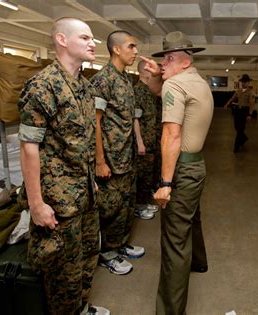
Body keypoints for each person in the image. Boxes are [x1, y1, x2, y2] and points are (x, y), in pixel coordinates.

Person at [17, 18, 109, 315]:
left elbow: (79, 141)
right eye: (85, 38)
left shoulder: (83, 86)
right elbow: (29, 148)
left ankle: (81, 309)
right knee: (62, 273)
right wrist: (36, 204)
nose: (93, 43)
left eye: (92, 38)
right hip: (59, 202)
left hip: (84, 195)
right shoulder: (44, 86)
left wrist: (91, 179)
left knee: (85, 259)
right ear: (62, 40)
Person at [140, 31, 214, 315]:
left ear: (184, 61)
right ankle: (199, 261)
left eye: (169, 59)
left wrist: (165, 183)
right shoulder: (197, 80)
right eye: (162, 59)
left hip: (181, 168)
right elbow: (161, 89)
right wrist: (158, 73)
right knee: (191, 218)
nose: (163, 64)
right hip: (197, 166)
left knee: (174, 238)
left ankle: (170, 311)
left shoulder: (176, 85)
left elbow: (171, 134)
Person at [90, 30, 144, 275]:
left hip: (126, 156)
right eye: (131, 46)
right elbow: (95, 123)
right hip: (110, 159)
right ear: (116, 49)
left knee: (124, 204)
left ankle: (119, 244)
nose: (136, 52)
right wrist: (100, 161)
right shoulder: (103, 80)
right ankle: (106, 252)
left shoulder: (125, 79)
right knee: (110, 207)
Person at [133, 59, 163, 220]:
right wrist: (139, 142)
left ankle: (144, 201)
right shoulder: (138, 91)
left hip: (151, 140)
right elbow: (135, 119)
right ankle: (139, 206)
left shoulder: (149, 90)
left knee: (148, 175)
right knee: (142, 175)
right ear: (145, 71)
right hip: (143, 141)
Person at [224, 74, 255, 152]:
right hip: (238, 111)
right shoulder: (239, 90)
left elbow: (252, 104)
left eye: (245, 82)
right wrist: (227, 104)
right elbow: (233, 98)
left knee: (240, 129)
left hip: (245, 111)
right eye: (243, 82)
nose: (244, 83)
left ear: (248, 83)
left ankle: (236, 146)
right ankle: (244, 138)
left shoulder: (251, 92)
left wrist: (250, 114)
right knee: (236, 127)